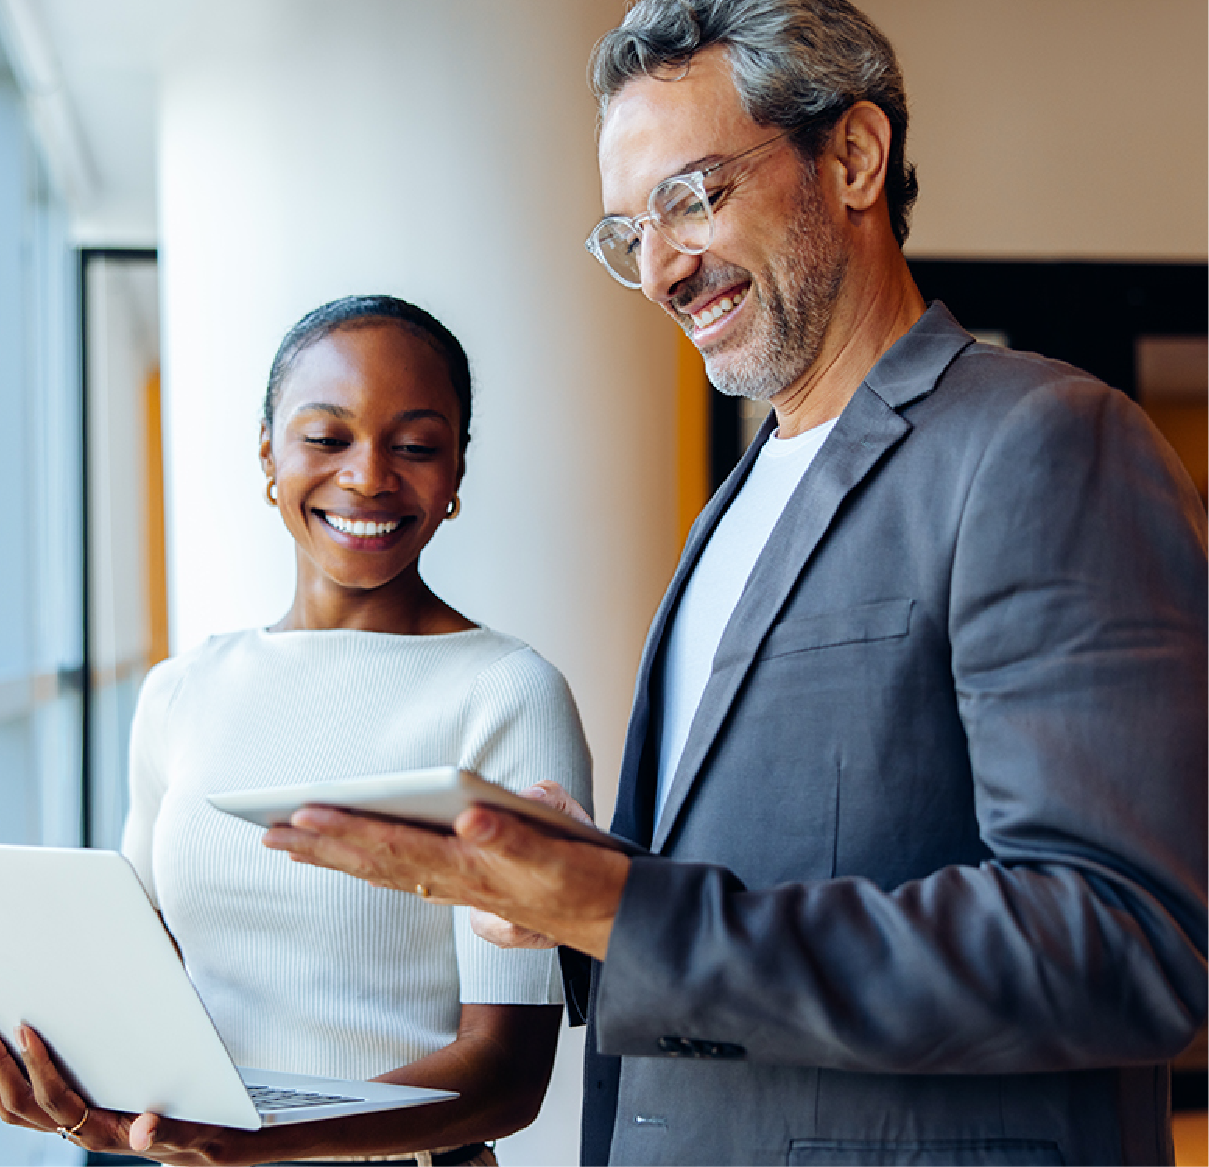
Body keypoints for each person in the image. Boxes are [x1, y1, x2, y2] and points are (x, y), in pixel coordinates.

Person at [264, 4, 1208, 1165]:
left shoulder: (1044, 442)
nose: (659, 269)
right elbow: (748, 886)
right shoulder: (737, 503)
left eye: (691, 198)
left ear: (853, 158)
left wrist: (625, 908)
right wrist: (574, 885)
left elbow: (1124, 943)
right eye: (627, 232)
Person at [0, 295, 592, 1166]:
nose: (367, 476)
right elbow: (152, 988)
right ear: (268, 454)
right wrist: (77, 1095)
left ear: (457, 471)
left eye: (417, 445)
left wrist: (264, 1138)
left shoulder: (506, 691)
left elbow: (508, 1072)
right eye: (326, 437)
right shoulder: (179, 691)